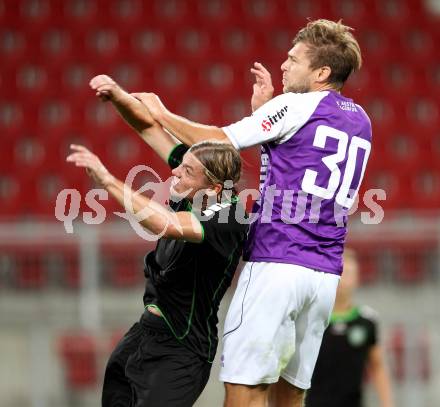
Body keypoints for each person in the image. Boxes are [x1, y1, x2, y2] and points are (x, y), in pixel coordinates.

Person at [93, 19, 372, 407]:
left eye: (294, 59)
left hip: (277, 263)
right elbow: (297, 163)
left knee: (244, 388)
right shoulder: (360, 121)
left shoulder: (296, 106)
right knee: (292, 395)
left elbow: (222, 140)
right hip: (324, 275)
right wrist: (267, 116)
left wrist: (163, 114)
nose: (284, 66)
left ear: (322, 72)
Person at [67, 82, 248, 406]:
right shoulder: (195, 191)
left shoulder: (228, 216)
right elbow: (148, 126)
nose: (175, 172)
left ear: (216, 187)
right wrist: (118, 96)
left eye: (187, 170)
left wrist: (107, 180)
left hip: (181, 350)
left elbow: (163, 223)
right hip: (141, 335)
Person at [305, 248, 394, 407]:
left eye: (349, 274)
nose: (344, 279)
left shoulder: (367, 321)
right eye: (340, 273)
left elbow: (377, 366)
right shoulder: (311, 319)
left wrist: (387, 403)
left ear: (357, 279)